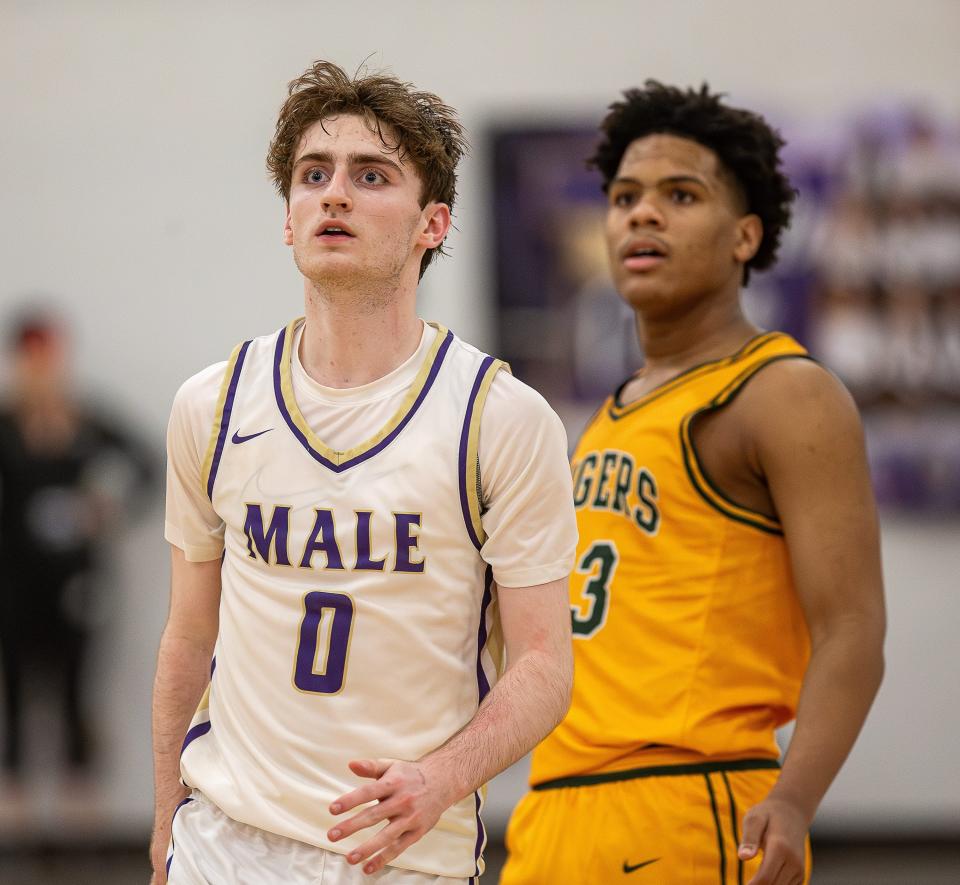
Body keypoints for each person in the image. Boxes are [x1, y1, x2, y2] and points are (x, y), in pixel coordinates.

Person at [151, 60, 577, 885]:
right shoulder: (212, 404)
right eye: (315, 175)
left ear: (432, 223)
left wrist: (443, 779)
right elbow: (189, 635)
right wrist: (166, 817)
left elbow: (544, 666)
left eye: (370, 175)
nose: (334, 194)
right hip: (222, 842)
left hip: (400, 852)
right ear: (288, 218)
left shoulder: (501, 417)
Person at [502, 82, 886, 885]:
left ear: (746, 234)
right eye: (625, 197)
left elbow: (853, 628)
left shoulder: (783, 392)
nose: (643, 215)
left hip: (686, 802)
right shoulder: (612, 409)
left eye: (681, 195)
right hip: (551, 810)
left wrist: (796, 798)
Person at [0, 311, 154, 782]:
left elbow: (146, 466)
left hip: (76, 582)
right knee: (17, 694)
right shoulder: (7, 424)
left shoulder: (85, 420)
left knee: (76, 693)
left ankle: (78, 822)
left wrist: (104, 511)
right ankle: (19, 823)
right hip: (15, 581)